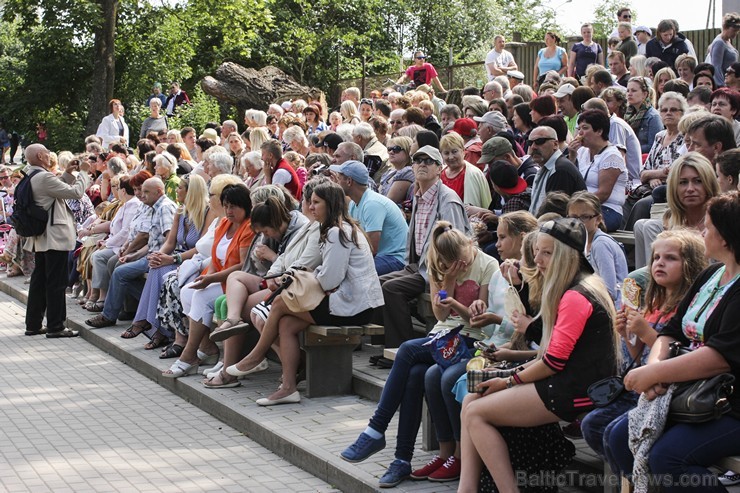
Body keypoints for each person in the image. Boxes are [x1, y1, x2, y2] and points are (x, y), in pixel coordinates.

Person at [457, 217, 619, 493]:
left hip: (576, 389)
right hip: (567, 379)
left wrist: (507, 381)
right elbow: (551, 355)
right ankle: (467, 488)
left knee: (475, 413)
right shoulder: (575, 286)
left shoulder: (577, 295)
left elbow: (553, 362)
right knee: (472, 396)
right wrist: (506, 371)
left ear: (567, 256)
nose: (539, 260)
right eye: (536, 252)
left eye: (547, 252)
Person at [341, 221, 498, 487]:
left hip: (471, 340)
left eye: (463, 259)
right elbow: (439, 316)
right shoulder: (440, 266)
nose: (460, 265)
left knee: (407, 350)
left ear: (470, 245)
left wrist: (457, 303)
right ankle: (401, 459)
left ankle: (377, 428)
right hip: (443, 336)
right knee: (414, 373)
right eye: (452, 262)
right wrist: (447, 280)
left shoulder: (486, 264)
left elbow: (477, 322)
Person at [606, 192, 740, 491]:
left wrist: (655, 374)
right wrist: (655, 370)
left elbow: (721, 357)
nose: (702, 232)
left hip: (728, 402)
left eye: (708, 227)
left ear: (727, 237)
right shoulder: (712, 274)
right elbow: (672, 331)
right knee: (617, 436)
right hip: (688, 390)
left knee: (667, 458)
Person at [226, 182, 383, 404]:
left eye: (316, 202)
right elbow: (327, 276)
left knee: (280, 304)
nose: (310, 207)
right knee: (286, 324)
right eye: (310, 201)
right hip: (344, 301)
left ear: (330, 204)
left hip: (353, 307)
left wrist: (310, 272)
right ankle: (288, 388)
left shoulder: (337, 232)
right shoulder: (335, 229)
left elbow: (329, 280)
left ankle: (255, 357)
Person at [580, 229, 708, 474]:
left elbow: (677, 355)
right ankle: (630, 479)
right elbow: (639, 354)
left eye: (670, 258)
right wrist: (626, 333)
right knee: (592, 424)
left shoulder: (689, 306)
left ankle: (637, 480)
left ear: (690, 264)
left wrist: (644, 331)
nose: (660, 263)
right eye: (656, 258)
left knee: (610, 432)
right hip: (644, 384)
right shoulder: (654, 301)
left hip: (668, 390)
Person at [375, 145, 470, 353]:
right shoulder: (419, 195)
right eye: (418, 161)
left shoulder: (448, 199)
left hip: (436, 271)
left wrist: (444, 278)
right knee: (376, 283)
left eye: (429, 161)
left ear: (439, 168)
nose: (422, 165)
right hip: (417, 265)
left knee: (391, 288)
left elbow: (455, 244)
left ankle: (401, 348)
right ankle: (385, 345)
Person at [162, 183, 254, 378]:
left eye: (233, 206)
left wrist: (211, 278)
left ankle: (188, 356)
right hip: (220, 277)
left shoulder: (248, 228)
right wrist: (207, 276)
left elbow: (243, 266)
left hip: (237, 283)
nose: (229, 211)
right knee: (188, 291)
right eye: (226, 206)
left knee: (201, 297)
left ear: (245, 206)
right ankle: (205, 346)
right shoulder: (223, 224)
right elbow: (214, 257)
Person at [133, 175, 217, 349]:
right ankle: (157, 328)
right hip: (178, 257)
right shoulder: (180, 211)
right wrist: (159, 255)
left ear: (191, 191)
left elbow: (201, 247)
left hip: (194, 260)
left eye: (180, 187)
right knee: (156, 267)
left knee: (165, 275)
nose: (176, 190)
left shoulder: (208, 212)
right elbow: (170, 242)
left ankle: (155, 327)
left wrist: (172, 259)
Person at [85, 177, 177, 328]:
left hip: (160, 258)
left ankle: (109, 315)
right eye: (139, 190)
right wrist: (132, 255)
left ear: (159, 192)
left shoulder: (164, 208)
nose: (141, 194)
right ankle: (149, 304)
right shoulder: (154, 207)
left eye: (146, 191)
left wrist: (157, 257)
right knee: (119, 269)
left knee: (120, 273)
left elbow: (169, 241)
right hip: (151, 254)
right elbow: (152, 239)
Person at [24, 144, 92, 337]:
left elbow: (55, 188)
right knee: (56, 282)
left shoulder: (32, 175)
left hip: (41, 237)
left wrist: (68, 173)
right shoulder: (44, 177)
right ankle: (56, 326)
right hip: (54, 237)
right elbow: (75, 193)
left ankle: (34, 324)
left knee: (39, 281)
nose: (49, 154)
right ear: (40, 155)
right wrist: (83, 174)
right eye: (46, 152)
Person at [633, 152, 720, 269]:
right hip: (669, 283)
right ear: (674, 187)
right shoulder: (667, 224)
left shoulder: (721, 223)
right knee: (644, 225)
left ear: (709, 183)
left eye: (698, 181)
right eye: (683, 182)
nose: (690, 189)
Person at [568, 110, 628, 232]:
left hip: (606, 210)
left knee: (570, 230)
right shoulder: (582, 151)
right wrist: (572, 156)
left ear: (599, 131)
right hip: (581, 208)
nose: (580, 133)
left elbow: (603, 194)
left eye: (585, 128)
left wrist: (575, 206)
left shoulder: (612, 156)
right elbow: (571, 181)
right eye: (579, 128)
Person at [567, 192, 628, 303]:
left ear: (598, 219)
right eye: (573, 217)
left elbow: (609, 292)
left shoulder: (601, 244)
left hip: (612, 310)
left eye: (585, 217)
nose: (578, 223)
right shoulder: (580, 242)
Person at [528, 126, 586, 214]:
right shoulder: (547, 167)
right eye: (530, 143)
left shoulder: (560, 170)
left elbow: (554, 215)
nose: (533, 147)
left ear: (555, 144)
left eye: (539, 141)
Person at [439, 133, 491, 210]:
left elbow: (486, 205)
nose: (451, 157)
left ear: (463, 151)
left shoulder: (474, 174)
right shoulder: (439, 175)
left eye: (454, 151)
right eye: (446, 153)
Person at [625, 77, 663, 154]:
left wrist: (629, 149)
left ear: (644, 94)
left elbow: (653, 145)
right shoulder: (628, 114)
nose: (629, 94)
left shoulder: (653, 117)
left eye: (634, 91)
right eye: (628, 91)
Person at [379, 136, 414, 206]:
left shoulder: (408, 172)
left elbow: (389, 202)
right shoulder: (390, 172)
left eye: (396, 149)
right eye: (389, 149)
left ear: (408, 152)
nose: (391, 152)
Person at [709, 13, 740, 87]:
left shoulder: (727, 41)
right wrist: (722, 86)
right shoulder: (719, 42)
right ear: (725, 27)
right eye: (734, 30)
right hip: (723, 84)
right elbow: (716, 67)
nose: (735, 33)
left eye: (737, 31)